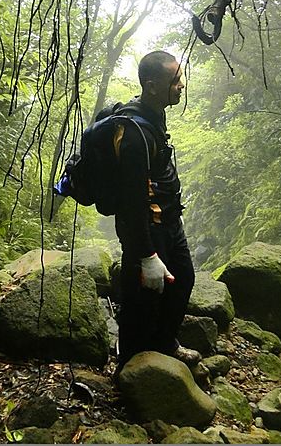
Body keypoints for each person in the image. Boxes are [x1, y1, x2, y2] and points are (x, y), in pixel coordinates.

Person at [108, 50, 198, 373]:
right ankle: (130, 368)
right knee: (141, 297)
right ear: (152, 85)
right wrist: (146, 254)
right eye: (174, 80)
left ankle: (164, 344)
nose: (181, 85)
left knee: (183, 277)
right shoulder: (133, 135)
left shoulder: (155, 114)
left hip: (169, 222)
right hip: (145, 229)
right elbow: (131, 203)